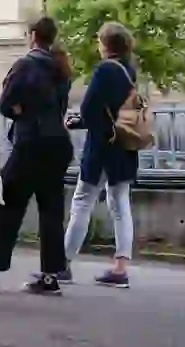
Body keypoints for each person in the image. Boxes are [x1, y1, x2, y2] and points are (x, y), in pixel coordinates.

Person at [0, 16, 74, 296]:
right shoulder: (61, 67)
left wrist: (22, 111)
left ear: (31, 36)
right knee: (51, 210)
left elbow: (5, 104)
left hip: (31, 142)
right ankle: (51, 275)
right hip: (58, 143)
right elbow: (60, 107)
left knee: (7, 204)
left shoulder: (26, 65)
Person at [60, 21, 139, 288]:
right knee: (120, 204)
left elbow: (89, 109)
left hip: (103, 147)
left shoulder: (105, 69)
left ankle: (63, 263)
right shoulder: (129, 70)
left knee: (82, 201)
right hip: (124, 145)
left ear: (105, 45)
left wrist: (76, 122)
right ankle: (120, 267)